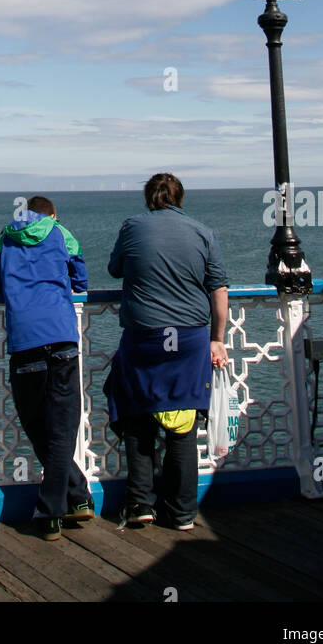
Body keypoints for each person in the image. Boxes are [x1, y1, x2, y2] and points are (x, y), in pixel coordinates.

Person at [105, 173, 229, 531]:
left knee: (136, 414)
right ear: (180, 198)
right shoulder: (203, 232)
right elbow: (218, 291)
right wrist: (217, 339)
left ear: (149, 198)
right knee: (183, 425)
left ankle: (140, 502)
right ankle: (181, 512)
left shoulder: (132, 227)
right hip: (189, 339)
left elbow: (115, 269)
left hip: (144, 337)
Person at [0, 195, 94, 540]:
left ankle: (64, 503)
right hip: (62, 336)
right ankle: (68, 500)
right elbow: (80, 278)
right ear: (52, 214)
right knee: (62, 427)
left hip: (25, 339)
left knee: (36, 424)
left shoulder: (5, 238)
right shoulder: (62, 234)